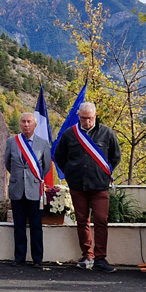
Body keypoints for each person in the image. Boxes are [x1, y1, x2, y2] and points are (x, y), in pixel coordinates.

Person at [53, 101, 121, 272]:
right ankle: (87, 255)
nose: (87, 122)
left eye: (90, 118)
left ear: (95, 116)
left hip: (99, 185)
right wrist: (70, 173)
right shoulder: (70, 134)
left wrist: (104, 173)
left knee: (101, 220)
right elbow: (60, 157)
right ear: (79, 117)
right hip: (78, 185)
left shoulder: (107, 133)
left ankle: (100, 258)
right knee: (82, 220)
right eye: (83, 118)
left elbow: (115, 157)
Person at [4, 112, 51, 267]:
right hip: (17, 189)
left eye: (29, 122)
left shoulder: (43, 143)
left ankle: (37, 259)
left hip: (34, 189)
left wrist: (32, 178)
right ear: (20, 124)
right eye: (23, 122)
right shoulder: (12, 142)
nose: (26, 125)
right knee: (19, 226)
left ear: (34, 125)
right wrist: (20, 177)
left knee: (36, 226)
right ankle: (19, 257)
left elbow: (46, 166)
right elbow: (8, 163)